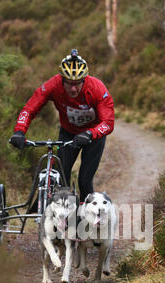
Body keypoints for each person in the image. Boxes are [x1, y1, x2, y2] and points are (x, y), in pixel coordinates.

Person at [10, 49, 114, 204]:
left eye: (77, 84)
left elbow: (108, 123)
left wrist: (90, 134)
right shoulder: (53, 85)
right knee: (60, 176)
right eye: (69, 84)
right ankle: (63, 213)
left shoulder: (97, 89)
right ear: (62, 80)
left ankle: (89, 220)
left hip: (93, 137)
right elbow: (29, 109)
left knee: (84, 180)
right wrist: (19, 131)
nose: (73, 88)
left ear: (84, 80)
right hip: (68, 133)